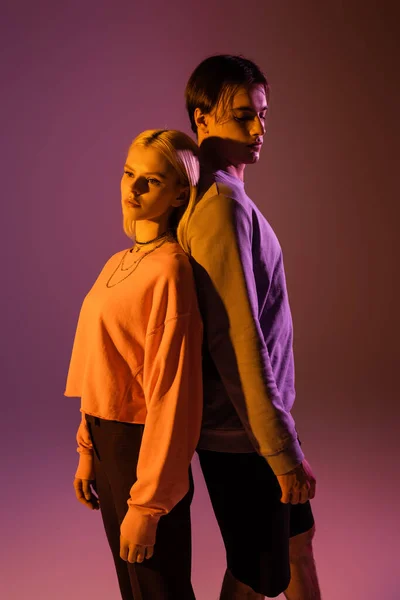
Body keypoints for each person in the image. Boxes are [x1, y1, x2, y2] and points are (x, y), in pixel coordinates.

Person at [178, 55, 321, 599]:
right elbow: (237, 341)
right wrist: (280, 452)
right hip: (244, 439)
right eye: (243, 116)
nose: (259, 129)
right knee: (255, 577)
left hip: (264, 425)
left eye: (263, 115)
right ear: (202, 118)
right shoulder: (218, 207)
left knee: (298, 545)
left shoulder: (227, 196)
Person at [65, 129, 203, 600]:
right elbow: (103, 366)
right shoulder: (115, 263)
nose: (133, 189)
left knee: (158, 588)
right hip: (108, 442)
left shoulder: (172, 270)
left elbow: (172, 395)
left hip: (142, 449)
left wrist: (149, 505)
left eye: (151, 180)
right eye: (129, 174)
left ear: (179, 192)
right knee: (134, 589)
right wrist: (87, 450)